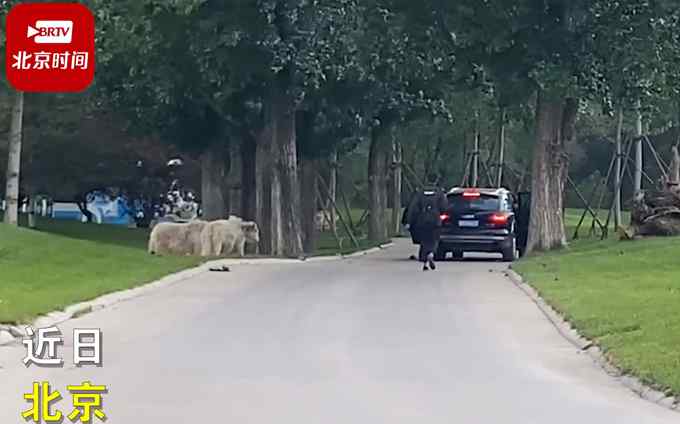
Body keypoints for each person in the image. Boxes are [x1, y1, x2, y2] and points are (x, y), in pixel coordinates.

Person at [407, 173, 448, 271]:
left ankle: (424, 263)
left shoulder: (420, 192)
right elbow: (444, 207)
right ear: (436, 180)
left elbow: (413, 208)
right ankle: (431, 254)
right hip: (435, 221)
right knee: (434, 240)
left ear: (427, 179)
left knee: (424, 242)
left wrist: (409, 221)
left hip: (422, 220)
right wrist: (440, 213)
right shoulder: (439, 193)